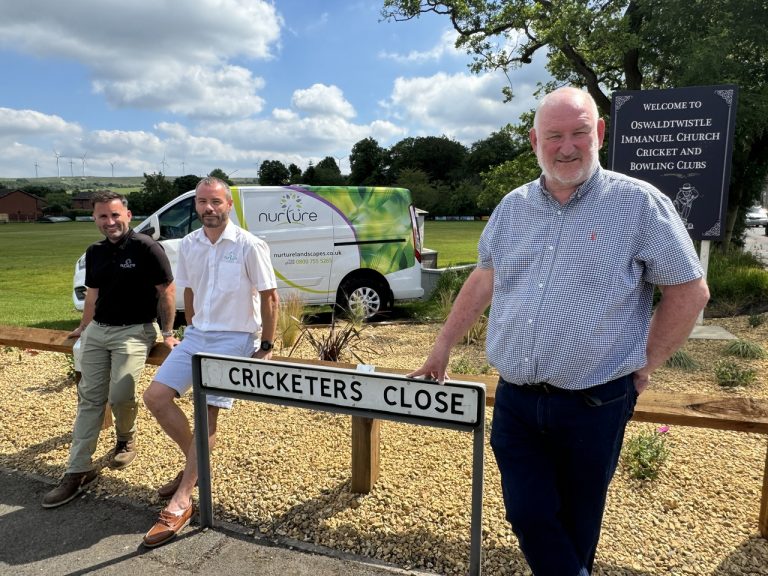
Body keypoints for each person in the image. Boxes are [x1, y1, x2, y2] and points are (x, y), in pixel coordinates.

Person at [410, 87, 710, 575]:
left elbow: (689, 292)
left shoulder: (638, 205)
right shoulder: (512, 207)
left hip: (596, 403)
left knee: (578, 520)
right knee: (527, 512)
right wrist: (442, 344)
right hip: (517, 401)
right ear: (534, 141)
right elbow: (485, 276)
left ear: (600, 133)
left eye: (579, 133)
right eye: (554, 136)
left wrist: (646, 363)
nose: (567, 147)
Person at [141, 176, 279, 548]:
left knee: (207, 416)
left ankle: (183, 497)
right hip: (197, 336)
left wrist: (265, 345)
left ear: (228, 205)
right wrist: (185, 329)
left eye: (216, 202)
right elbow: (187, 289)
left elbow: (270, 297)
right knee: (154, 397)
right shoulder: (189, 244)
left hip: (234, 339)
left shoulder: (250, 244)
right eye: (202, 202)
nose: (208, 208)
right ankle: (197, 463)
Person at [42, 191, 177, 508]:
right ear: (95, 219)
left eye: (116, 215)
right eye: (103, 216)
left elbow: (167, 291)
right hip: (99, 331)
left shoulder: (146, 247)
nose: (110, 221)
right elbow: (92, 295)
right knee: (89, 399)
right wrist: (83, 327)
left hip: (135, 331)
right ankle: (77, 471)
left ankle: (125, 438)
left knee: (120, 394)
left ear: (128, 216)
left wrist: (168, 333)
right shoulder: (95, 252)